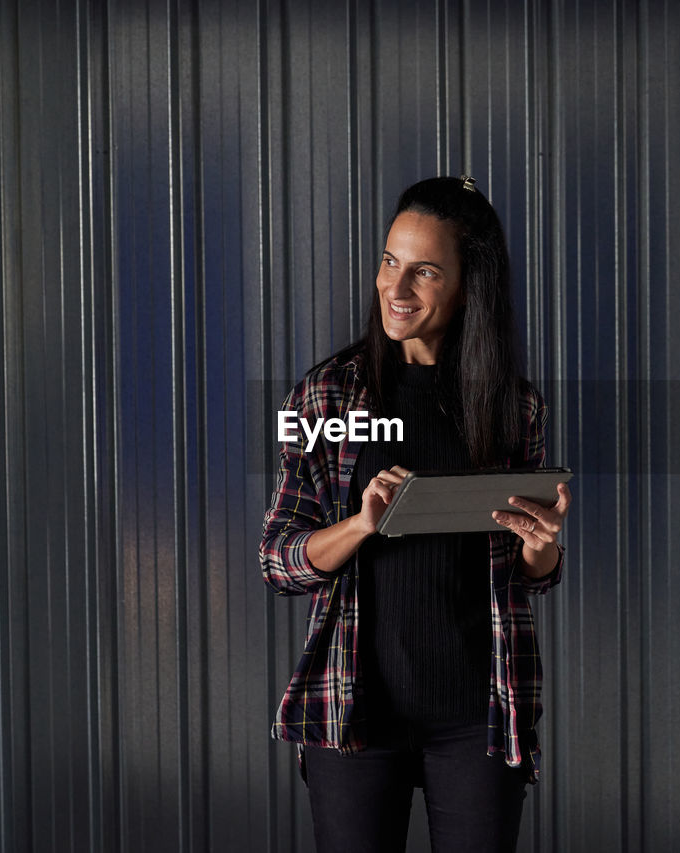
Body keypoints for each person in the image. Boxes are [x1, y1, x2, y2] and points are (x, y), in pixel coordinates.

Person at [259, 175, 573, 852]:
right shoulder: (325, 399)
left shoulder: (514, 409)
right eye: (389, 262)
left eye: (425, 271)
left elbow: (533, 576)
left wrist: (542, 546)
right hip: (354, 713)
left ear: (468, 286)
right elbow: (278, 559)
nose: (395, 290)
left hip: (480, 718)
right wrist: (361, 524)